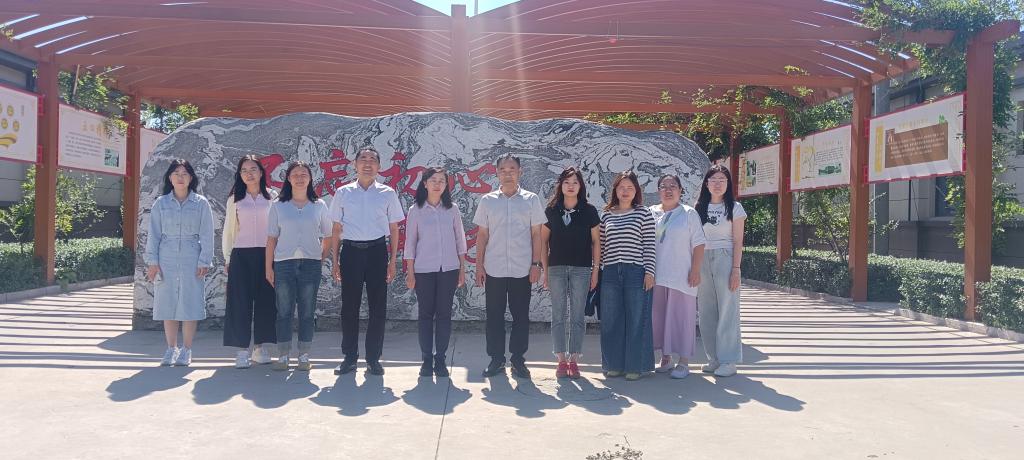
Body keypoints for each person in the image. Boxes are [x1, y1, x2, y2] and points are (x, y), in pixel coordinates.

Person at [328, 147, 405, 376]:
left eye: (373, 159)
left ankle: (373, 359)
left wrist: (392, 260)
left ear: (379, 166)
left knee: (377, 308)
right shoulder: (343, 193)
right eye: (363, 159)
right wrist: (335, 261)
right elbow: (336, 229)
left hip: (377, 252)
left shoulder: (387, 193)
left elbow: (394, 228)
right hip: (350, 252)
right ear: (355, 164)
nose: (368, 163)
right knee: (348, 308)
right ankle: (349, 357)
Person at [473, 154, 546, 379]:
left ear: (520, 172)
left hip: (522, 268)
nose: (507, 173)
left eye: (512, 169)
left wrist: (536, 264)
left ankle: (518, 359)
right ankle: (496, 359)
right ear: (496, 173)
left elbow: (537, 234)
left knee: (520, 317)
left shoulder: (531, 200)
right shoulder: (488, 201)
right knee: (494, 317)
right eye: (503, 170)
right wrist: (479, 266)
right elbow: (482, 235)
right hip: (494, 268)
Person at [144, 159, 215, 367]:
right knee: (167, 302)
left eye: (184, 173)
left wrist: (204, 260)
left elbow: (207, 234)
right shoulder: (161, 203)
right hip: (166, 256)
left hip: (192, 257)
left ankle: (187, 349)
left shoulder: (201, 203)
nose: (180, 177)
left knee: (190, 302)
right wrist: (153, 262)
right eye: (176, 173)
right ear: (170, 177)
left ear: (191, 178)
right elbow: (153, 234)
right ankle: (171, 348)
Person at [266, 161, 332, 372]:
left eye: (304, 174)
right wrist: (268, 267)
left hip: (310, 264)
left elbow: (328, 235)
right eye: (295, 174)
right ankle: (283, 355)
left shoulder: (319, 205)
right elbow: (271, 239)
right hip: (283, 264)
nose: (300, 178)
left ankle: (304, 354)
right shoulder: (278, 205)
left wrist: (320, 257)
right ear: (288, 178)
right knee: (284, 311)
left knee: (307, 311)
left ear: (311, 178)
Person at [403, 167, 467, 378]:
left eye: (442, 181)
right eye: (433, 180)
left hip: (449, 269)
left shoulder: (452, 209)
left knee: (444, 315)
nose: (437, 184)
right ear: (425, 184)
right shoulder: (416, 210)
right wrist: (410, 272)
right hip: (423, 270)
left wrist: (462, 269)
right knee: (425, 315)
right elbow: (410, 243)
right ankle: (426, 360)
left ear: (446, 185)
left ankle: (440, 359)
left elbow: (460, 241)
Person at [540, 166, 600, 379]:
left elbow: (596, 242)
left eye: (575, 182)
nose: (571, 186)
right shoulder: (551, 210)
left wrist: (595, 271)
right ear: (561, 185)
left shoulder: (589, 211)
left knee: (577, 315)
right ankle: (560, 359)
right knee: (558, 314)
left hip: (581, 269)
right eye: (567, 182)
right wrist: (545, 270)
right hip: (556, 268)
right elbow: (543, 242)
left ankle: (574, 359)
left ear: (581, 185)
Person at [599, 170, 656, 381]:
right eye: (621, 187)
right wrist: (598, 270)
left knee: (636, 319)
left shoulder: (643, 213)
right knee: (611, 319)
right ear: (615, 190)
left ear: (636, 191)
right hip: (611, 272)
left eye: (630, 187)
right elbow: (601, 246)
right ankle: (614, 364)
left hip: (636, 271)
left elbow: (649, 245)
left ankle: (635, 366)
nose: (625, 191)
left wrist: (649, 272)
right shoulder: (607, 214)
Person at [222, 155, 277, 369]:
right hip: (241, 255)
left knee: (265, 302)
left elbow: (278, 228)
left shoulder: (273, 197)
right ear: (240, 174)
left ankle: (259, 348)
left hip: (267, 255)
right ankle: (242, 350)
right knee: (239, 303)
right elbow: (228, 230)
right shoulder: (235, 199)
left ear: (261, 172)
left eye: (253, 169)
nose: (249, 174)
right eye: (244, 170)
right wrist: (228, 257)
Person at [649, 174, 706, 379]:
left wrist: (695, 270)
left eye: (673, 186)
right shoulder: (651, 213)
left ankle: (683, 362)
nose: (668, 190)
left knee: (682, 319)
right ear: (658, 191)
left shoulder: (688, 214)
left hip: (682, 276)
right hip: (657, 276)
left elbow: (699, 243)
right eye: (663, 186)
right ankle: (665, 359)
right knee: (660, 319)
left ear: (680, 190)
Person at [695, 165, 746, 377]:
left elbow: (738, 241)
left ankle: (728, 360)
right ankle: (714, 358)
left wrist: (736, 269)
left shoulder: (735, 208)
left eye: (722, 180)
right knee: (706, 310)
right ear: (706, 184)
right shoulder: (698, 207)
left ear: (728, 184)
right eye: (713, 180)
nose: (717, 184)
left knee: (727, 310)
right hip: (702, 258)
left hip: (725, 257)